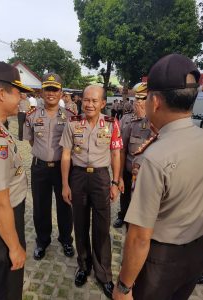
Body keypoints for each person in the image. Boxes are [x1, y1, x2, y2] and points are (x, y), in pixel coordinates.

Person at [113, 53, 203, 300]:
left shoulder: (154, 159)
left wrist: (123, 287)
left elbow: (139, 237)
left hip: (160, 262)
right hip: (195, 254)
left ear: (155, 102)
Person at [60, 85, 123, 299]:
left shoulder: (112, 124)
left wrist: (115, 182)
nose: (89, 104)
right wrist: (65, 185)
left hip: (100, 178)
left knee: (102, 227)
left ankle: (104, 274)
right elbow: (66, 155)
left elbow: (116, 154)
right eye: (86, 100)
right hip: (77, 177)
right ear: (81, 101)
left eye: (94, 101)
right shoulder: (73, 123)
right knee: (80, 224)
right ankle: (83, 266)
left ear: (103, 103)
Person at [0, 61, 33, 300]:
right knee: (4, 287)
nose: (22, 98)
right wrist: (14, 247)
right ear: (1, 93)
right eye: (18, 91)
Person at [23, 73, 75, 260]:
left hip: (63, 168)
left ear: (61, 92)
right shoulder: (31, 115)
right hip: (39, 168)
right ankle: (43, 240)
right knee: (40, 206)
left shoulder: (70, 117)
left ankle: (66, 239)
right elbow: (30, 141)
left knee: (65, 205)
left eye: (55, 89)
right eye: (47, 89)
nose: (51, 93)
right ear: (42, 92)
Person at [113, 83, 155, 229]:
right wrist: (119, 176)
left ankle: (137, 222)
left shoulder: (156, 121)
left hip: (145, 172)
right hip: (129, 168)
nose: (138, 102)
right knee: (124, 197)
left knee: (142, 200)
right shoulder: (126, 119)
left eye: (142, 98)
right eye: (137, 98)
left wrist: (145, 118)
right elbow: (122, 149)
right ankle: (123, 216)